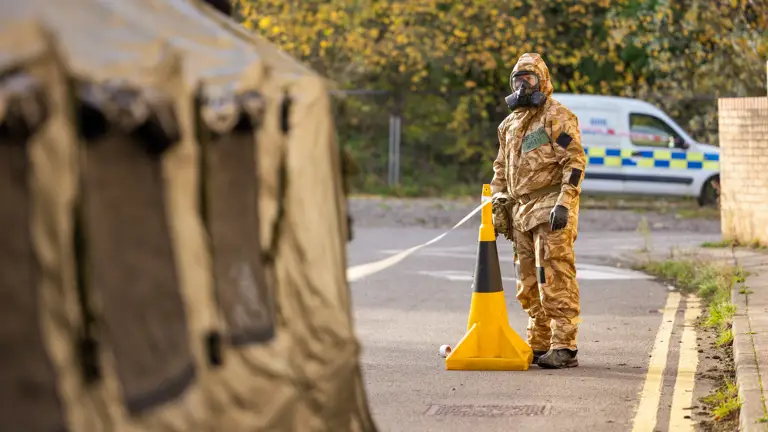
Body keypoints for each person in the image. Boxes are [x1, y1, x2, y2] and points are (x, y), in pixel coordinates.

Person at [490, 53, 586, 369]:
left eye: (528, 79)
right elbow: (501, 166)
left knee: (554, 275)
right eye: (516, 80)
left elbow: (574, 162)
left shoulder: (556, 117)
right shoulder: (509, 125)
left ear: (541, 80)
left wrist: (565, 202)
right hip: (521, 210)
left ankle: (564, 346)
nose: (521, 86)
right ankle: (539, 342)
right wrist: (498, 201)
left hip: (550, 207)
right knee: (527, 282)